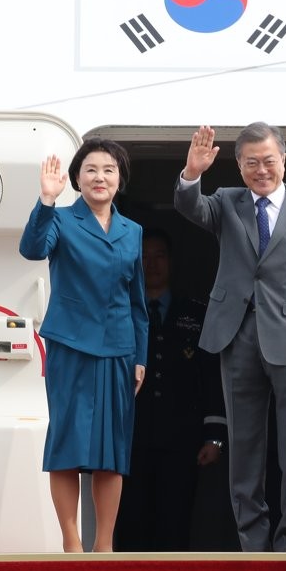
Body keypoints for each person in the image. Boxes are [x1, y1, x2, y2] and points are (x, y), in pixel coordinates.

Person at [173, 122, 286, 552]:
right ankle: (254, 545)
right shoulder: (227, 202)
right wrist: (192, 174)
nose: (261, 170)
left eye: (268, 161)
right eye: (251, 163)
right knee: (244, 449)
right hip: (237, 336)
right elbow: (190, 206)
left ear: (284, 160)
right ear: (240, 166)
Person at [19, 138, 148, 553]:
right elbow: (31, 248)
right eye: (91, 170)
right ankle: (72, 543)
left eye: (109, 170)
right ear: (77, 178)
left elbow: (137, 302)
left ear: (119, 179)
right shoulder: (60, 220)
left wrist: (141, 357)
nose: (100, 177)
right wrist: (46, 200)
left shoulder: (132, 231)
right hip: (70, 347)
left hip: (119, 350)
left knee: (113, 449)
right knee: (68, 443)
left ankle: (103, 545)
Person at [113, 228, 228, 552]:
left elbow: (211, 375)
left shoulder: (195, 313)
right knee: (131, 523)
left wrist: (215, 436)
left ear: (172, 261)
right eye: (144, 257)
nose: (152, 264)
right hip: (130, 438)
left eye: (159, 256)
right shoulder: (121, 313)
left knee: (175, 524)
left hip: (181, 440)